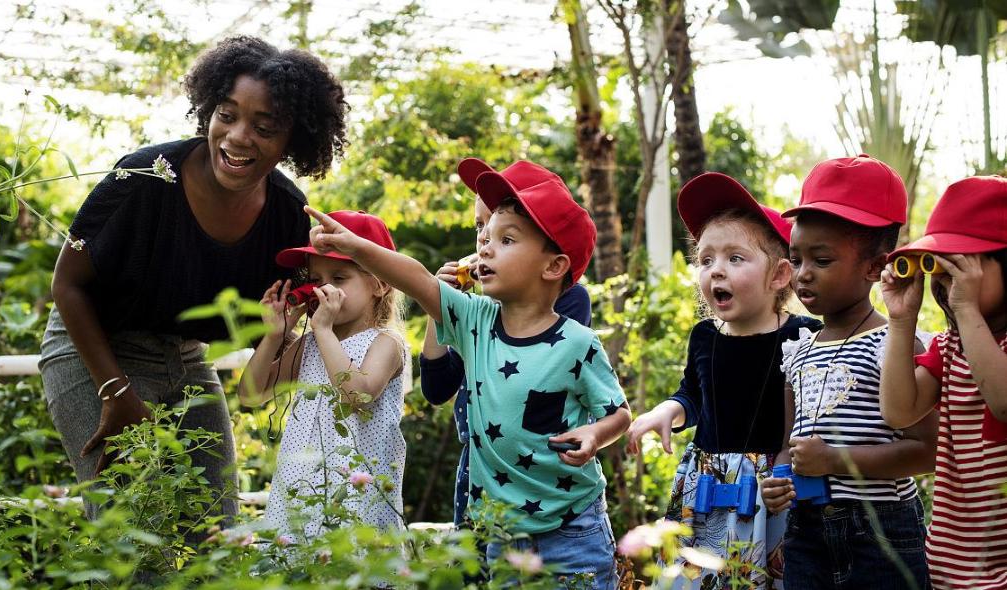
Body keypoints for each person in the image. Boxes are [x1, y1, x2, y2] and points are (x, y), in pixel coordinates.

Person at [39, 36, 349, 524]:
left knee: (218, 530)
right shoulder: (143, 177)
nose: (237, 136)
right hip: (94, 351)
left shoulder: (288, 214)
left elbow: (307, 312)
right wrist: (116, 393)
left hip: (184, 356)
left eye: (264, 126)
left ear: (294, 139)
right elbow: (67, 285)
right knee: (134, 533)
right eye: (226, 114)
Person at [305, 157, 631, 589]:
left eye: (506, 239)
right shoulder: (473, 319)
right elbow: (417, 279)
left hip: (572, 528)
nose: (484, 247)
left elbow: (619, 414)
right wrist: (355, 247)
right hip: (500, 534)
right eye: (485, 236)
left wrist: (595, 435)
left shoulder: (577, 342)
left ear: (553, 266)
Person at [625, 172, 819, 589]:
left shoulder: (804, 335)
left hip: (774, 487)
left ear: (780, 275)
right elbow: (693, 395)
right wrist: (667, 411)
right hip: (705, 487)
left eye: (735, 258)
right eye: (706, 259)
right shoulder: (705, 336)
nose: (716, 270)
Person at [761, 155, 936, 589]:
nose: (802, 275)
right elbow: (789, 445)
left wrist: (834, 461)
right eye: (796, 258)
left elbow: (926, 450)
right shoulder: (797, 352)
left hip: (881, 534)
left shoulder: (894, 344)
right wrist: (779, 480)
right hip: (806, 533)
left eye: (821, 261)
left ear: (876, 267)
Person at [419, 193, 592, 528]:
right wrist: (438, 306)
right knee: (479, 573)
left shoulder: (569, 301)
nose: (484, 239)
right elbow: (436, 388)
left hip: (536, 473)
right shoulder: (478, 310)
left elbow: (536, 375)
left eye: (504, 235)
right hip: (479, 466)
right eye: (480, 226)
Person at [237, 210, 407, 542]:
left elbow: (357, 396)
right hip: (299, 495)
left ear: (381, 284)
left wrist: (323, 330)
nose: (322, 289)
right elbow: (251, 394)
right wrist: (274, 336)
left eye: (339, 278)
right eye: (315, 279)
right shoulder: (311, 342)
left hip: (358, 503)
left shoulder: (386, 343)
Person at [879, 175, 1007, 589]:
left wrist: (967, 309)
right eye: (938, 268)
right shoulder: (949, 346)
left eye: (959, 267)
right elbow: (900, 410)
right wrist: (901, 321)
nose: (944, 285)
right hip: (954, 568)